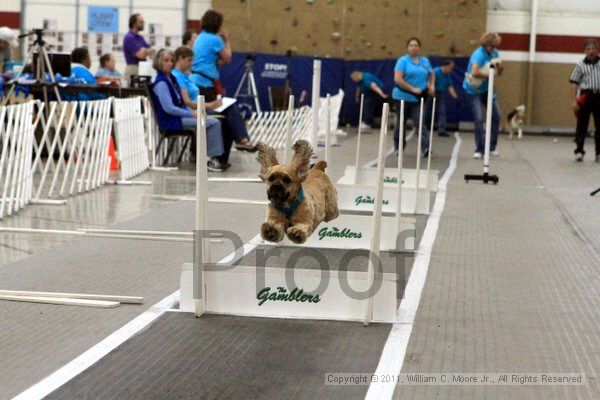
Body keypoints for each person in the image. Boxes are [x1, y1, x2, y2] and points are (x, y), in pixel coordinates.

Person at [190, 11, 257, 152]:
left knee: (225, 110)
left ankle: (241, 139)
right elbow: (227, 57)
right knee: (228, 110)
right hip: (206, 84)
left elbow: (213, 61)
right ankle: (241, 139)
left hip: (196, 81)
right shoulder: (216, 40)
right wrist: (226, 39)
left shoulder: (200, 37)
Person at [151, 49, 227, 171]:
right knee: (213, 122)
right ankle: (210, 159)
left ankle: (210, 156)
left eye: (171, 61)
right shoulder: (161, 84)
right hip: (171, 120)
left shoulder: (171, 79)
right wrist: (191, 113)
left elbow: (180, 103)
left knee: (213, 119)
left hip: (179, 116)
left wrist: (192, 113)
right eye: (166, 61)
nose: (170, 63)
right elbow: (169, 108)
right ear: (159, 62)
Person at [463, 32, 503, 159]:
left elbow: (499, 72)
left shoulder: (495, 54)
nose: (494, 48)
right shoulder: (478, 54)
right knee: (479, 118)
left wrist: (500, 69)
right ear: (486, 44)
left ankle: (491, 147)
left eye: (495, 46)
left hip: (487, 89)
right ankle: (479, 149)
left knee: (496, 116)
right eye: (492, 46)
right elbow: (474, 72)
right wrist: (491, 75)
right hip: (473, 90)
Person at [392, 37, 435, 156]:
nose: (413, 47)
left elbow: (432, 74)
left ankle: (425, 147)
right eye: (411, 45)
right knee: (401, 122)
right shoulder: (403, 61)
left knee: (420, 122)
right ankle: (398, 147)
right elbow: (398, 79)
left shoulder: (425, 61)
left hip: (418, 97)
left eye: (416, 45)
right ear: (407, 48)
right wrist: (412, 89)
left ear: (419, 48)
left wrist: (431, 86)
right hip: (402, 95)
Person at [570, 38, 600, 162]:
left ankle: (599, 153)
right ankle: (579, 151)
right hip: (585, 96)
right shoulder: (580, 65)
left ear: (597, 50)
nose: (591, 51)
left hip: (599, 96)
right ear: (584, 51)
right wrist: (574, 101)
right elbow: (574, 83)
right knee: (582, 125)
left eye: (593, 48)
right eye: (588, 49)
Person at [432, 59, 459, 137]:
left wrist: (456, 97)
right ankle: (420, 128)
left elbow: (450, 86)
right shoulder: (435, 72)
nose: (452, 69)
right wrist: (431, 90)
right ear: (445, 66)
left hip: (440, 93)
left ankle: (441, 130)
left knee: (442, 112)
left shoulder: (447, 75)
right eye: (451, 67)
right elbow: (429, 82)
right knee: (425, 111)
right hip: (431, 92)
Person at [123, 13, 153, 82]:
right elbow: (141, 55)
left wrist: (144, 50)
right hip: (133, 69)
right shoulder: (129, 38)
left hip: (142, 69)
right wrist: (146, 51)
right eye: (141, 22)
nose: (143, 23)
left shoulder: (140, 37)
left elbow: (152, 51)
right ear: (134, 24)